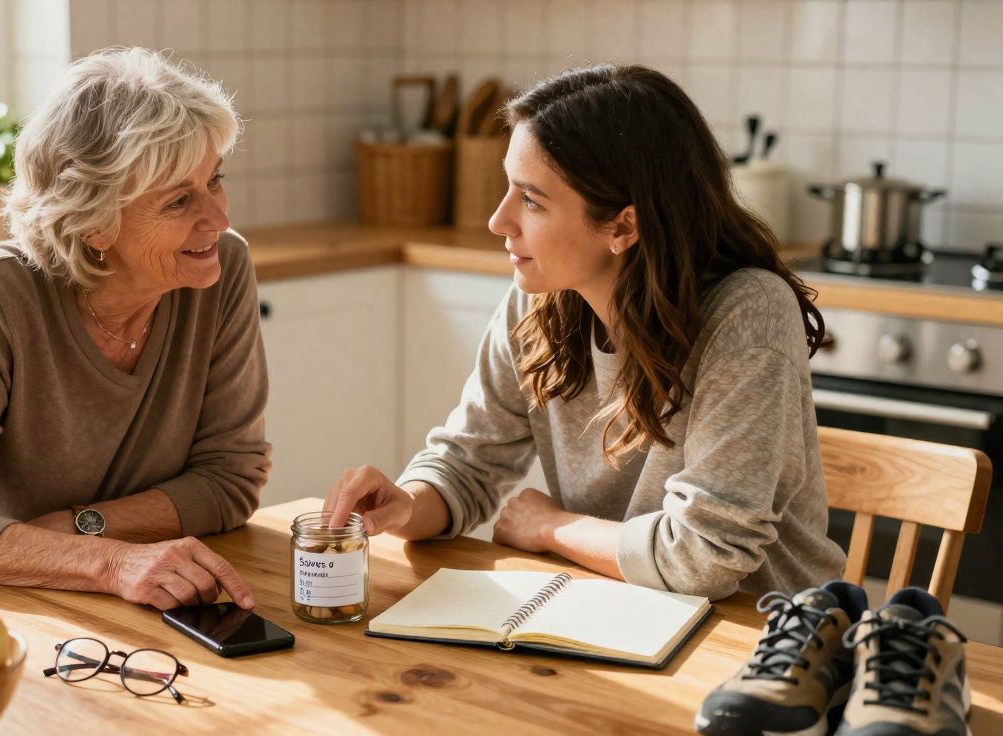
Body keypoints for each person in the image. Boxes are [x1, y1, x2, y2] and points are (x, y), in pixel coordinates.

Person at [324, 64, 845, 600]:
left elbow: (705, 558)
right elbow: (468, 463)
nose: (498, 221)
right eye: (509, 188)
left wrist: (551, 527)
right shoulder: (540, 299)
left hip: (761, 628)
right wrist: (407, 503)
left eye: (531, 200)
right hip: (612, 603)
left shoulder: (747, 313)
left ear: (622, 226)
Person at [0, 48, 269, 611]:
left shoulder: (220, 268)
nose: (218, 218)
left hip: (87, 594)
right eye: (179, 201)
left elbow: (228, 481)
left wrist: (80, 527)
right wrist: (110, 561)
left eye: (214, 181)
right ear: (94, 223)